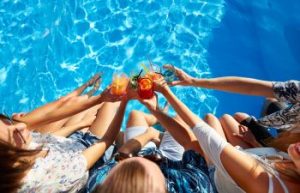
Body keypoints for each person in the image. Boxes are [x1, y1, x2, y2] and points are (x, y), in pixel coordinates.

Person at [152, 77, 300, 193]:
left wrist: (166, 92)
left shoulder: (264, 181)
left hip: (217, 174)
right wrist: (255, 143)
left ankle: (157, 117)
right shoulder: (293, 163)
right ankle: (158, 117)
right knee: (225, 120)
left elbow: (206, 135)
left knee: (204, 126)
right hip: (250, 160)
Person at [0, 82, 137, 192]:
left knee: (92, 109)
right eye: (15, 133)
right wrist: (124, 101)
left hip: (67, 144)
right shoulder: (51, 176)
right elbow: (105, 141)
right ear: (8, 158)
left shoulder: (16, 158)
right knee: (109, 105)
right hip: (91, 156)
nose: (23, 126)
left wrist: (80, 125)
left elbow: (47, 140)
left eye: (8, 122)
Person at [88, 106, 216, 193]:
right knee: (178, 119)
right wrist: (157, 112)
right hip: (175, 162)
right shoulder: (192, 187)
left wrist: (148, 134)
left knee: (135, 115)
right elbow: (191, 144)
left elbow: (121, 156)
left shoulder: (102, 184)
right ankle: (160, 126)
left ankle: (158, 128)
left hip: (143, 150)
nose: (152, 159)